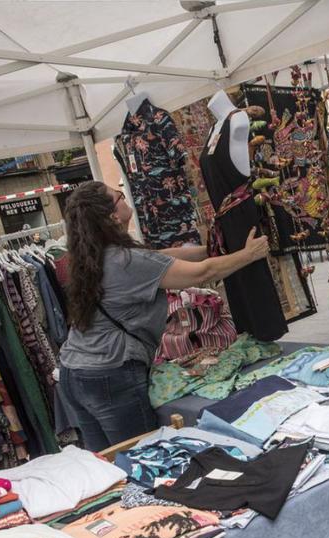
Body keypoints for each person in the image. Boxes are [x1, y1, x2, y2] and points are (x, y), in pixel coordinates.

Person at [58, 180, 269, 451]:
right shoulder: (125, 261)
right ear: (111, 215)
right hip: (109, 376)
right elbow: (202, 273)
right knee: (142, 456)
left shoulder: (95, 257)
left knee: (108, 465)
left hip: (74, 373)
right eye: (119, 196)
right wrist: (248, 255)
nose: (125, 199)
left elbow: (164, 258)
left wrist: (211, 249)